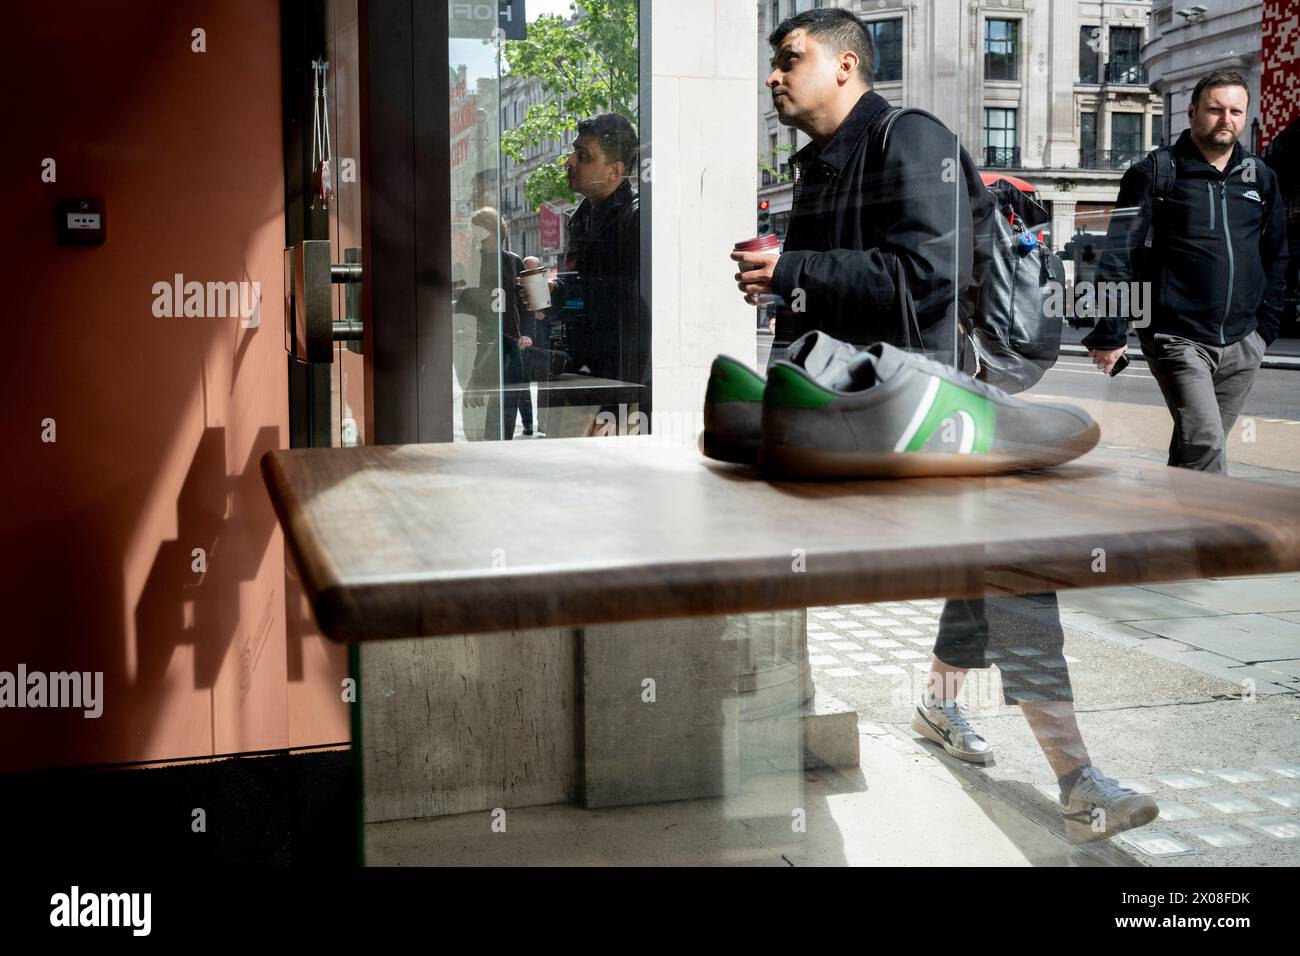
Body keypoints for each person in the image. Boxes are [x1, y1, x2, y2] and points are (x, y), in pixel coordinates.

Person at [741, 7, 1156, 842]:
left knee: (1011, 562)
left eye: (791, 58)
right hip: (843, 422)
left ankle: (1077, 778)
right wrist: (785, 289)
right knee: (983, 563)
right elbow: (826, 304)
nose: (775, 76)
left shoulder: (911, 139)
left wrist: (793, 268)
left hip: (922, 413)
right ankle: (935, 703)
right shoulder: (819, 167)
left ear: (848, 66)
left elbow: (922, 279)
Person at [1083, 70, 1289, 474]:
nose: (1225, 118)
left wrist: (1266, 327)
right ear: (1192, 112)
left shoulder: (1261, 178)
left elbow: (1276, 255)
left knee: (1193, 449)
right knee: (1207, 443)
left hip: (1243, 341)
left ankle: (1171, 530)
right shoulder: (1155, 173)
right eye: (1214, 109)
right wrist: (1110, 330)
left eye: (1235, 111)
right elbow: (1117, 254)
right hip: (1175, 336)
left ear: (1245, 117)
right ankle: (1217, 538)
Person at [518, 113, 644, 436]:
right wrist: (551, 291)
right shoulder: (581, 217)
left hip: (609, 391)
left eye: (583, 155)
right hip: (579, 382)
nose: (570, 160)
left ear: (615, 171)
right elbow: (585, 291)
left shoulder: (635, 219)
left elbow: (633, 316)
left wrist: (622, 400)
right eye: (574, 151)